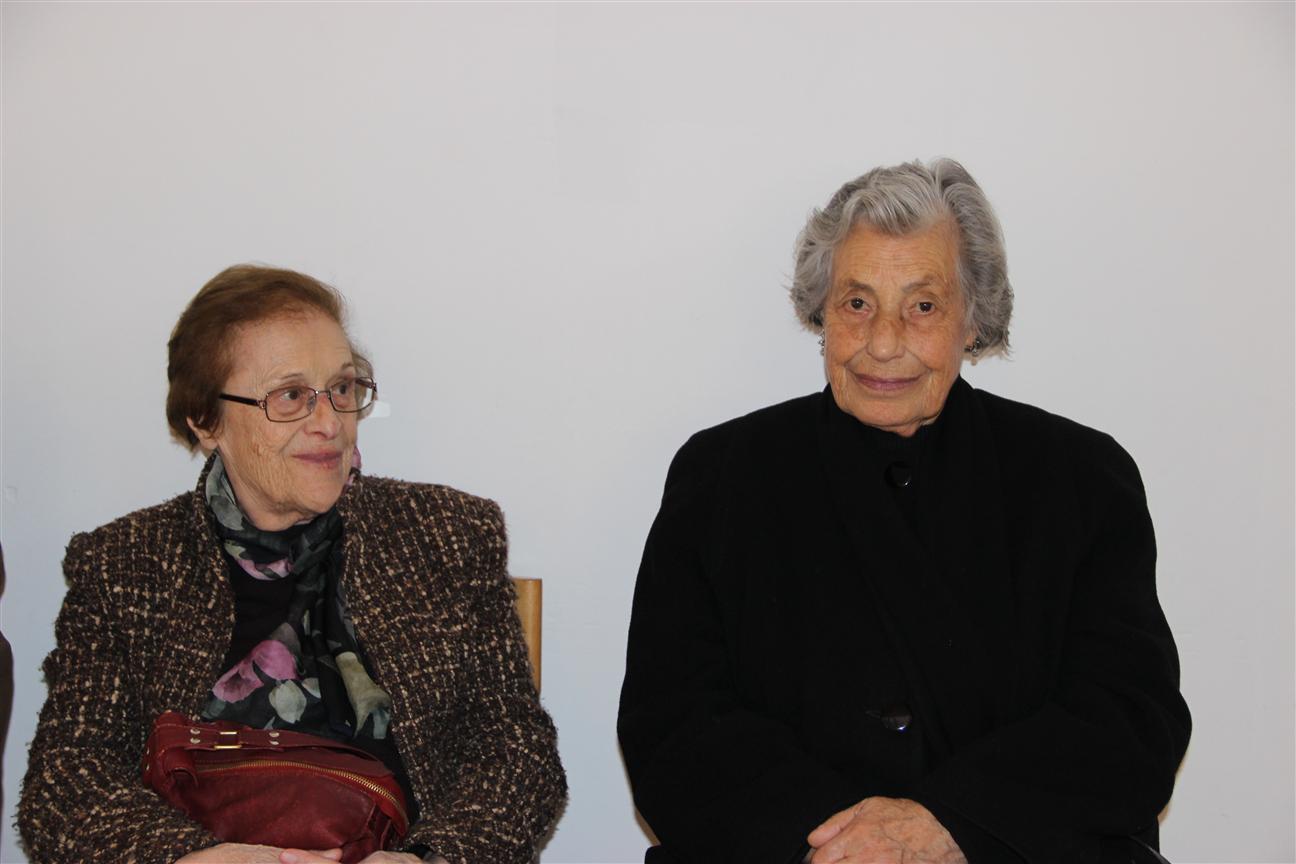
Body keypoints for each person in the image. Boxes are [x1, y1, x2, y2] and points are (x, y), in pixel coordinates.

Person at [617, 159, 1190, 864]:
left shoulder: (1081, 479)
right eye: (857, 303)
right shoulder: (721, 478)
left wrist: (950, 823)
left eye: (922, 307)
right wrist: (842, 847)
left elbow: (1131, 720)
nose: (883, 343)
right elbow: (671, 726)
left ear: (973, 321)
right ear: (821, 313)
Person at [18, 265, 566, 864]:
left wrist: (429, 859)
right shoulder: (126, 565)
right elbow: (68, 780)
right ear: (206, 421)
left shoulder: (446, 537)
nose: (329, 423)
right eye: (290, 396)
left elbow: (516, 751)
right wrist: (193, 859)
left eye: (342, 388)